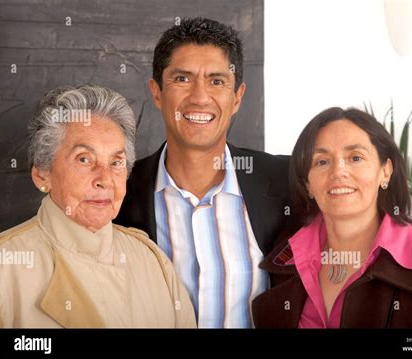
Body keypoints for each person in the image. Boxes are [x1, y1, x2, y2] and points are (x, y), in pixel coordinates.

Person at [115, 17, 290, 328]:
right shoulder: (118, 191)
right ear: (157, 92)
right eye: (182, 79)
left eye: (217, 81)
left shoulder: (286, 182)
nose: (199, 96)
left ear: (237, 96)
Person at [0, 84, 196, 328]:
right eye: (84, 159)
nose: (105, 179)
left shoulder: (154, 262)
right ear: (42, 175)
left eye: (116, 162)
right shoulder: (3, 268)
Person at [252, 107, 412, 328]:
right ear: (307, 183)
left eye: (355, 157)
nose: (338, 171)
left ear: (386, 171)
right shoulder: (282, 259)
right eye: (322, 161)